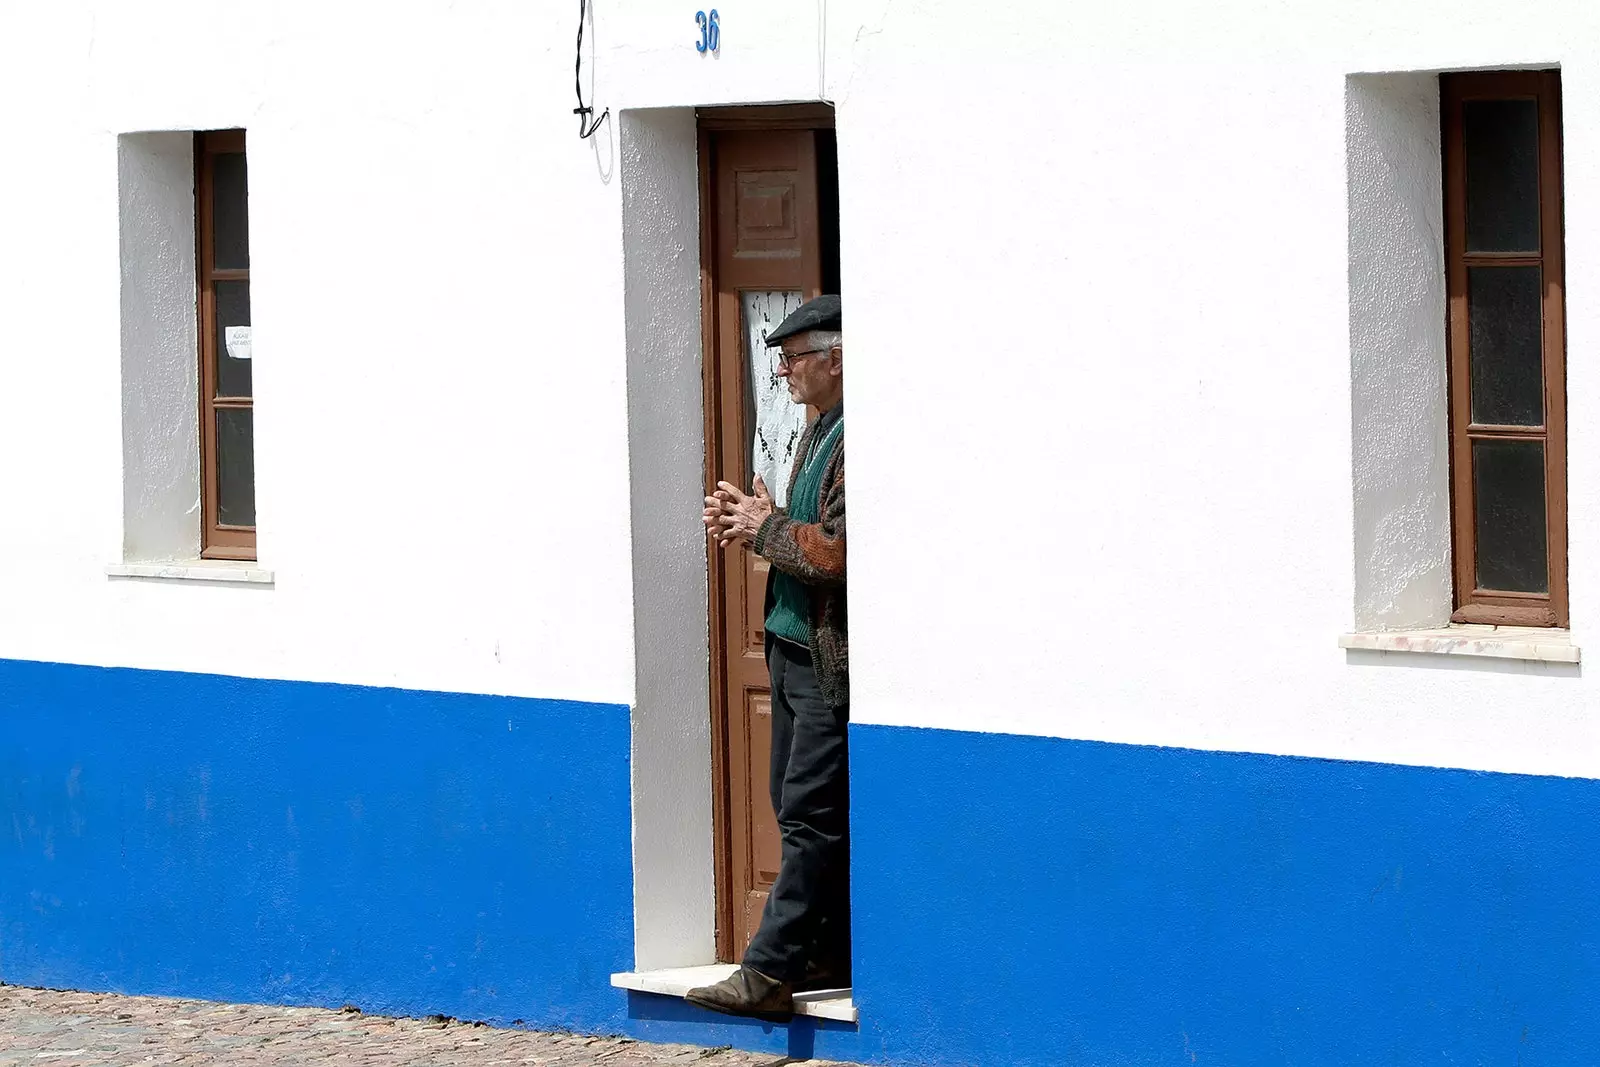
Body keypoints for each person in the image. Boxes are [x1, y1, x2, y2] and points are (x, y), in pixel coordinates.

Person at [687, 294, 850, 1021]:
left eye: (793, 358)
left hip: (824, 663)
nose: (782, 371)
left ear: (834, 359)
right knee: (794, 809)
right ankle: (822, 950)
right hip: (787, 648)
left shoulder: (855, 439)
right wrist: (756, 519)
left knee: (812, 816)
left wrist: (767, 525)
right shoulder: (816, 431)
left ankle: (768, 971)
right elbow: (798, 531)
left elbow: (838, 550)